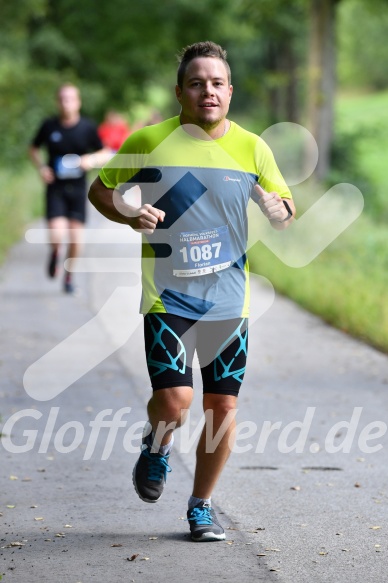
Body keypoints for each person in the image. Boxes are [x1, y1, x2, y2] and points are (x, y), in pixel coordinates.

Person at [88, 41, 296, 542]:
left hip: (228, 299)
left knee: (222, 409)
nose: (208, 90)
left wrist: (277, 211)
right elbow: (101, 190)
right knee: (175, 400)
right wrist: (129, 211)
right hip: (168, 296)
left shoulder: (252, 147)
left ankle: (201, 506)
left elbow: (286, 207)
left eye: (218, 83)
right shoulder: (149, 140)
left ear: (230, 91)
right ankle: (157, 447)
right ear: (180, 91)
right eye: (197, 82)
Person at [29, 83, 109, 294]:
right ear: (58, 102)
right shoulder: (49, 126)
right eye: (63, 99)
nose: (66, 103)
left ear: (78, 102)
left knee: (75, 240)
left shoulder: (87, 127)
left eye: (71, 99)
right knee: (56, 235)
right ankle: (55, 253)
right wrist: (41, 168)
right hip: (55, 187)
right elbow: (33, 148)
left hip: (78, 189)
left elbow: (104, 153)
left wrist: (89, 159)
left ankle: (69, 275)